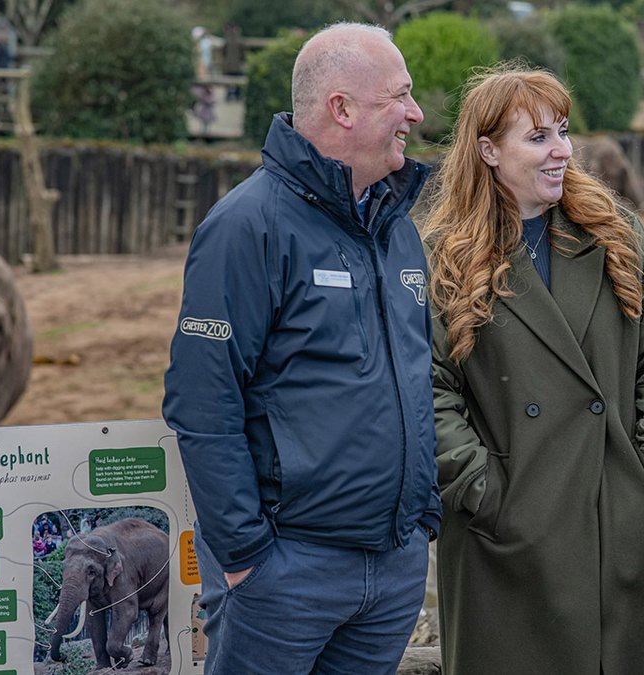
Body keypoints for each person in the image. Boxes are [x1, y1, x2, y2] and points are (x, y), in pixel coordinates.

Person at [163, 22, 439, 675]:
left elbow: (419, 379)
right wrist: (247, 557)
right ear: (341, 108)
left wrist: (422, 521)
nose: (416, 113)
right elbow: (203, 402)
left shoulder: (398, 232)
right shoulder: (245, 226)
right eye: (400, 96)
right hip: (285, 577)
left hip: (392, 571)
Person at [422, 66, 644, 674]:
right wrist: (485, 494)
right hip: (506, 542)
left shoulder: (613, 232)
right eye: (539, 137)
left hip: (621, 522)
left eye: (563, 132)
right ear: (489, 150)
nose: (563, 150)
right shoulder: (443, 257)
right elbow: (428, 393)